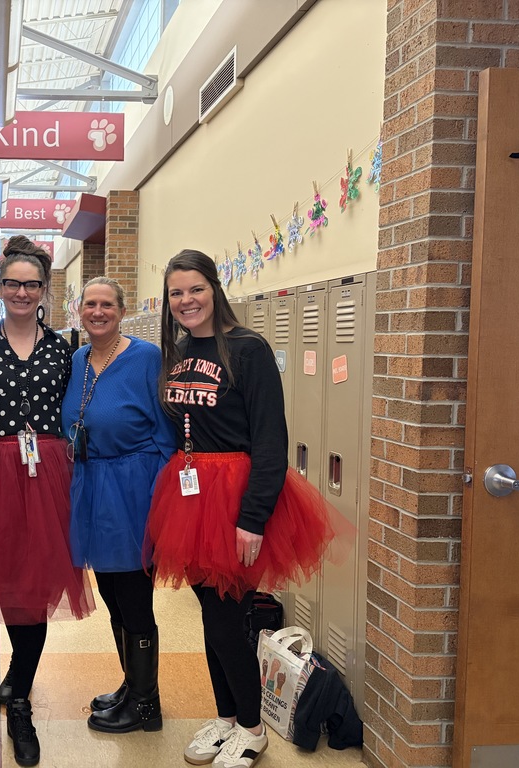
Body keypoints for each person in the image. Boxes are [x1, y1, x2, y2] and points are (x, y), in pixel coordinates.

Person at [146, 249, 337, 768]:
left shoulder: (248, 349)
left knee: (228, 619)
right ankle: (227, 718)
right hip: (191, 495)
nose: (186, 300)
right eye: (176, 293)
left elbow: (271, 441)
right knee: (212, 615)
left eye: (195, 289)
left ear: (215, 288)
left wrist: (252, 518)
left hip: (236, 498)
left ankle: (252, 730)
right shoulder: (180, 350)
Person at [0, 236, 95, 766]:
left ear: (45, 289)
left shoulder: (65, 347)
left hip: (49, 477)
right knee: (10, 579)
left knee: (39, 580)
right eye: (12, 282)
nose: (22, 291)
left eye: (32, 284)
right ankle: (18, 677)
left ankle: (20, 695)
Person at [61, 276, 175, 734]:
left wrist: (163, 502)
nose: (98, 311)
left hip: (134, 489)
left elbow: (167, 433)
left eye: (107, 304)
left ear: (121, 311)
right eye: (90, 303)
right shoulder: (79, 358)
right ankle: (132, 685)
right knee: (111, 594)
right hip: (92, 484)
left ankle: (147, 706)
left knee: (134, 596)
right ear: (79, 311)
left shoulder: (147, 358)